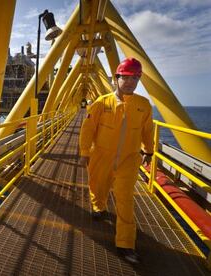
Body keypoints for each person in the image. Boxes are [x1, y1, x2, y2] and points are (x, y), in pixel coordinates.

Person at [79, 57, 154, 264]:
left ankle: (125, 244)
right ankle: (98, 206)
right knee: (98, 185)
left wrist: (149, 151)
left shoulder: (143, 105)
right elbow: (88, 129)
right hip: (101, 155)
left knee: (125, 200)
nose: (130, 82)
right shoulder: (102, 103)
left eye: (135, 78)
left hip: (129, 159)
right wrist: (85, 152)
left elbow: (148, 130)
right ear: (116, 78)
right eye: (126, 77)